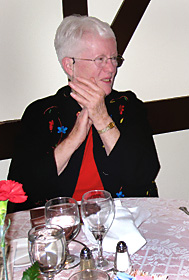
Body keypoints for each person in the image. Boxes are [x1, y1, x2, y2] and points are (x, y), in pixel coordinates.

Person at [8, 15, 160, 211]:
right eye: (100, 59)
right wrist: (72, 140)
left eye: (114, 58)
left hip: (121, 221)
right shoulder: (42, 113)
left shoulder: (128, 106)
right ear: (69, 65)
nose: (111, 68)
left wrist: (102, 118)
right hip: (60, 224)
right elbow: (23, 189)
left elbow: (143, 175)